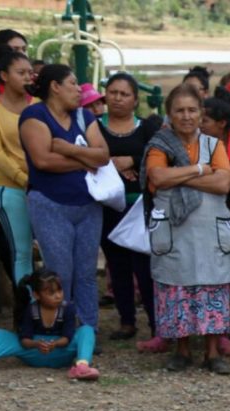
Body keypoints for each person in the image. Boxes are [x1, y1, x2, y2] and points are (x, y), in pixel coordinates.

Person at [143, 84, 230, 375]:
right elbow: (157, 176)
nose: (186, 116)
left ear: (201, 113)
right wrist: (198, 170)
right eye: (180, 110)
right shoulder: (160, 145)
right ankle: (181, 351)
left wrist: (178, 178)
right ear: (169, 114)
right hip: (174, 232)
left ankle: (212, 352)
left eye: (192, 110)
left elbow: (223, 183)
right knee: (175, 286)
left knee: (212, 285)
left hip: (210, 231)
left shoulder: (214, 144)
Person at [19, 64, 110, 333]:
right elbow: (43, 160)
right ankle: (61, 330)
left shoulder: (84, 116)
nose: (78, 89)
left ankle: (88, 331)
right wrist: (84, 161)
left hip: (88, 205)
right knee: (60, 272)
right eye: (72, 83)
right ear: (55, 87)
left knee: (86, 274)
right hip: (50, 204)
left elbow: (103, 156)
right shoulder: (34, 115)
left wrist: (67, 149)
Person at [98, 73, 163, 347]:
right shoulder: (94, 127)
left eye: (124, 94)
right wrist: (107, 162)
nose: (118, 98)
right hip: (107, 206)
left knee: (145, 268)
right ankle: (126, 321)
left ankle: (156, 324)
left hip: (140, 207)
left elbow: (160, 153)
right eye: (113, 92)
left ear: (135, 99)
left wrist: (131, 160)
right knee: (117, 266)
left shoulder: (147, 127)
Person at [0, 268, 99, 381]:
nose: (58, 295)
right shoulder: (30, 310)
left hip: (61, 350)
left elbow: (67, 337)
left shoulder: (68, 308)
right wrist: (36, 343)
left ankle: (82, 366)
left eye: (59, 290)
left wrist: (55, 344)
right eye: (51, 292)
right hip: (33, 351)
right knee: (0, 334)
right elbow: (24, 340)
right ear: (36, 295)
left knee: (86, 330)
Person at [0, 51, 36, 286]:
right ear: (4, 75)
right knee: (22, 251)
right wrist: (23, 179)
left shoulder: (40, 104)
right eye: (20, 73)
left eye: (30, 73)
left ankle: (54, 308)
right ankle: (27, 307)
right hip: (11, 186)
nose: (27, 78)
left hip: (45, 186)